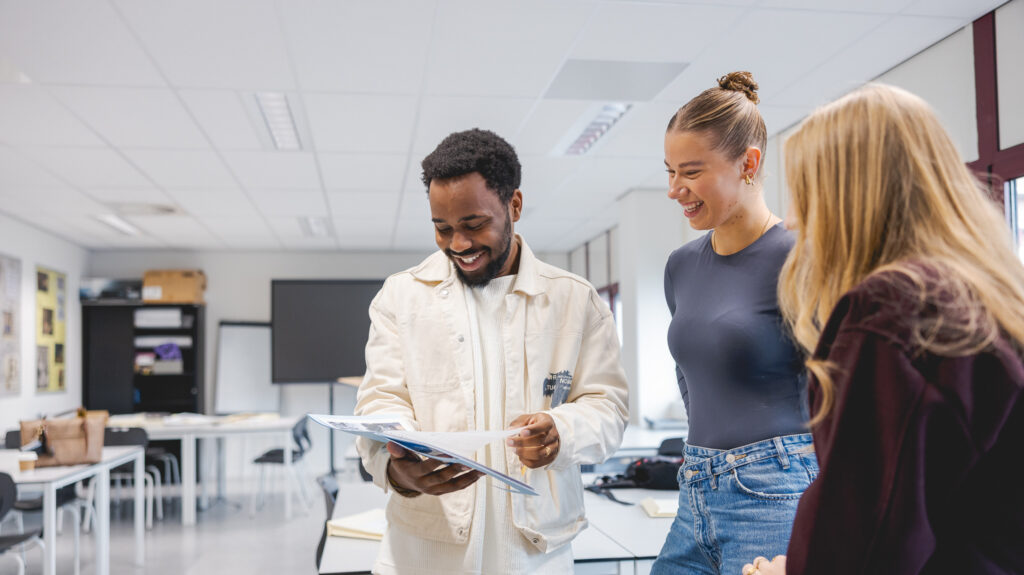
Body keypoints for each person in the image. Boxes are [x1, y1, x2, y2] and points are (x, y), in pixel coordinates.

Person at [743, 84, 1024, 575]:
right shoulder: (992, 297)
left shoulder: (892, 310)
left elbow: (863, 534)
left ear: (849, 200)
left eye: (806, 196)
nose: (791, 221)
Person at [354, 128, 630, 575]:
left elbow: (608, 408)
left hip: (536, 552)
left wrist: (562, 430)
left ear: (514, 206)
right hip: (422, 550)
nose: (457, 245)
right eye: (442, 229)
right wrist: (396, 465)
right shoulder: (401, 297)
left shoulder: (574, 301)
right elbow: (379, 400)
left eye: (473, 225)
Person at [651, 71, 816, 575]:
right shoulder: (680, 265)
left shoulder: (801, 256)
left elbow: (841, 390)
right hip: (694, 487)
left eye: (692, 172)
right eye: (670, 171)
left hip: (775, 492)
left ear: (749, 163)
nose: (675, 189)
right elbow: (692, 379)